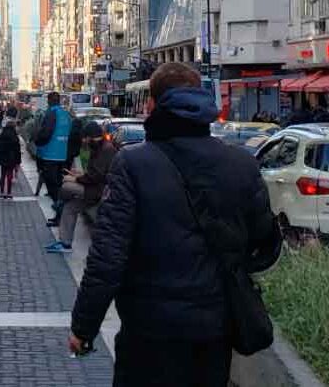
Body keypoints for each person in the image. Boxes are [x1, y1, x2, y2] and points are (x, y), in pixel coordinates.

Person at [68, 63, 281, 386]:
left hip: (148, 333)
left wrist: (84, 327)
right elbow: (266, 245)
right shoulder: (241, 164)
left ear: (153, 105)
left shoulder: (133, 164)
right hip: (214, 331)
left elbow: (107, 257)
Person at [46, 121, 116, 253]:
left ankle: (59, 202)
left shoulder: (106, 149)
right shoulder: (99, 147)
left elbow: (96, 176)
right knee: (70, 207)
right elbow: (94, 173)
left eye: (85, 138)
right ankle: (65, 243)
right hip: (93, 187)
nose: (84, 141)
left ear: (91, 136)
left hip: (99, 190)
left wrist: (76, 178)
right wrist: (80, 174)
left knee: (67, 186)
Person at [34, 92, 72, 226]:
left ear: (49, 101)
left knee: (52, 186)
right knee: (58, 185)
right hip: (63, 155)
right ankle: (59, 214)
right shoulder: (66, 114)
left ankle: (59, 211)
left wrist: (37, 141)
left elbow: (46, 132)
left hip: (49, 154)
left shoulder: (51, 113)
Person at [0, 119, 21, 199]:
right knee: (10, 175)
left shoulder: (2, 134)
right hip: (11, 157)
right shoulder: (15, 136)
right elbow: (17, 149)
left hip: (3, 157)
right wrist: (18, 160)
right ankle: (9, 192)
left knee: (3, 175)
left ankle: (2, 192)